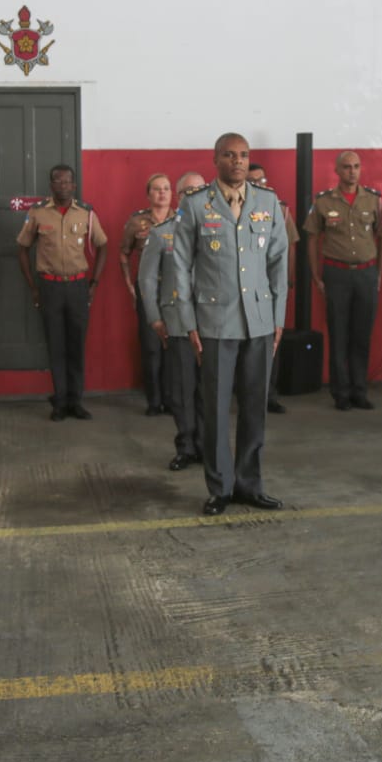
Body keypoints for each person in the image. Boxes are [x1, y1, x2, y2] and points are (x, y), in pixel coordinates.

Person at [170, 134, 288, 516]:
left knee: (255, 408)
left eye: (243, 155)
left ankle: (249, 485)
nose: (238, 161)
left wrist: (278, 318)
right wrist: (188, 321)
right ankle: (220, 488)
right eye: (229, 155)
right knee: (217, 409)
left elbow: (279, 262)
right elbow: (180, 266)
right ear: (215, 159)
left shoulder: (267, 201)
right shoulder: (195, 204)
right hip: (215, 322)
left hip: (259, 321)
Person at [17, 164, 109, 421]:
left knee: (76, 345)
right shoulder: (38, 213)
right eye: (58, 181)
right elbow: (22, 248)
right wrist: (33, 288)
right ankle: (59, 402)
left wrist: (94, 283)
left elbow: (103, 245)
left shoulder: (86, 213)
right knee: (55, 345)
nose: (63, 186)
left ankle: (75, 401)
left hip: (78, 288)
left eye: (67, 181)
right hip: (50, 288)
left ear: (74, 185)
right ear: (51, 185)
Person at [304, 151, 382, 410]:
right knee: (338, 335)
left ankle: (359, 391)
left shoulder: (373, 200)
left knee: (362, 335)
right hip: (337, 275)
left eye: (356, 166)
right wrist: (316, 275)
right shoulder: (323, 201)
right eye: (346, 167)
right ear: (337, 170)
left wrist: (378, 273)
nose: (352, 171)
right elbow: (311, 238)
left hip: (366, 274)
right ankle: (341, 393)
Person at [138, 172, 206, 470]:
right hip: (176, 320)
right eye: (188, 191)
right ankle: (186, 446)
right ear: (179, 196)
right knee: (182, 388)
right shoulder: (162, 232)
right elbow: (146, 278)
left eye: (199, 190)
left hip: (211, 321)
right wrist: (154, 318)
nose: (194, 195)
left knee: (209, 389)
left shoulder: (217, 228)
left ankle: (207, 445)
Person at [120, 173, 174, 416]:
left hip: (174, 291)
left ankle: (171, 399)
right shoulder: (137, 222)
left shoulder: (181, 220)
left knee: (172, 347)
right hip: (148, 291)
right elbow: (124, 252)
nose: (162, 193)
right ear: (148, 194)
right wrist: (129, 285)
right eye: (156, 189)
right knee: (151, 347)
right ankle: (154, 401)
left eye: (166, 188)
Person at [248, 162, 298, 413]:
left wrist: (287, 281)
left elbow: (289, 248)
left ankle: (269, 395)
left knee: (271, 343)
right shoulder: (233, 209)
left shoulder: (278, 209)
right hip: (245, 287)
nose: (258, 185)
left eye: (262, 180)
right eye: (253, 181)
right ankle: (246, 395)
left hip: (269, 288)